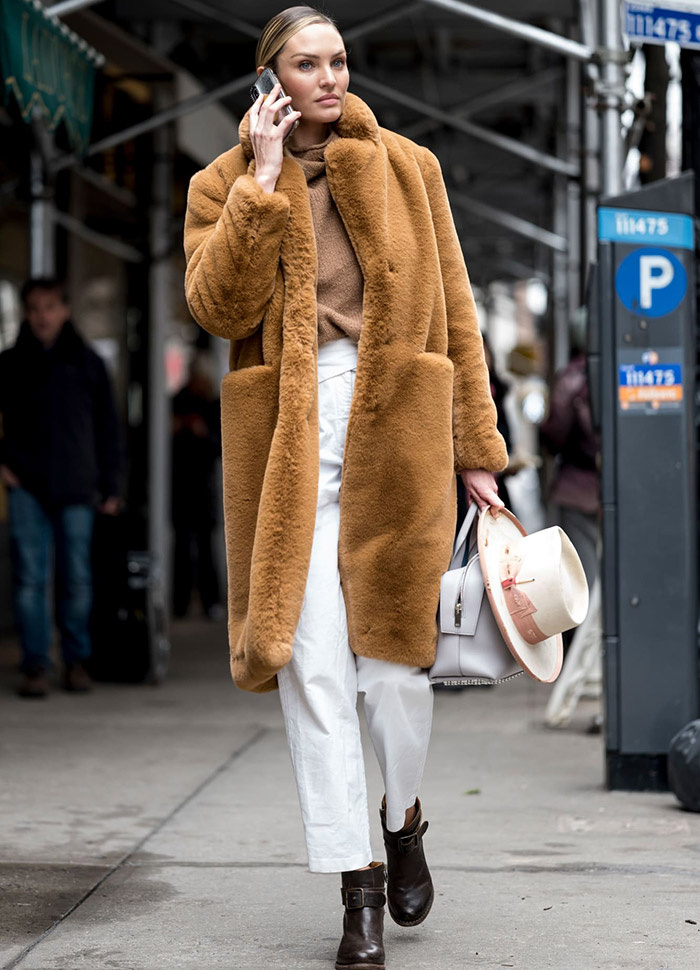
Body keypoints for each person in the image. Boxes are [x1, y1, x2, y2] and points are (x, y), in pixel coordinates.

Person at [183, 7, 507, 968]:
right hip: (286, 437)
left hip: (397, 431)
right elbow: (215, 307)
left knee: (395, 677)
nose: (331, 77)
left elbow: (456, 308)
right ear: (269, 79)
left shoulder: (409, 165)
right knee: (313, 672)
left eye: (339, 61)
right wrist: (265, 184)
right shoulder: (222, 182)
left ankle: (402, 814)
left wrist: (476, 446)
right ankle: (356, 886)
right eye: (307, 64)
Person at [0, 278, 124, 699]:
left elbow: (109, 429)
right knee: (30, 579)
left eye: (50, 307)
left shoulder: (89, 363)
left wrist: (112, 485)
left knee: (77, 580)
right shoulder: (10, 362)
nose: (42, 316)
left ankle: (76, 661)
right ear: (26, 313)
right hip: (26, 487)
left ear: (65, 310)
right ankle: (36, 664)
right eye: (34, 308)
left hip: (78, 487)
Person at [539, 347, 600, 598]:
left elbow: (555, 436)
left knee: (579, 579)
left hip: (577, 490)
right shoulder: (628, 366)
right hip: (622, 488)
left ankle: (585, 636)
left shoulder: (572, 377)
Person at [171, 355, 222, 619]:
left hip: (203, 487)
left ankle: (210, 602)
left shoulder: (213, 406)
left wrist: (202, 432)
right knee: (181, 547)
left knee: (205, 548)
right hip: (181, 485)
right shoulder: (177, 401)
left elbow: (220, 447)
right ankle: (179, 603)